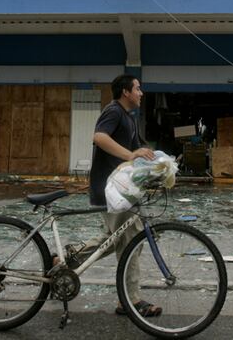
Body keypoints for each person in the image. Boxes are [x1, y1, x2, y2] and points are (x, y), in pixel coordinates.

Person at [85, 74, 162, 318]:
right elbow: (99, 137)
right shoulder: (114, 111)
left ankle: (64, 263)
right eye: (138, 88)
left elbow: (141, 151)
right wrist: (130, 156)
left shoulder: (128, 118)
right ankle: (130, 300)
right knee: (130, 240)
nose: (141, 93)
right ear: (125, 92)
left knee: (112, 239)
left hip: (122, 189)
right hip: (113, 190)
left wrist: (161, 168)